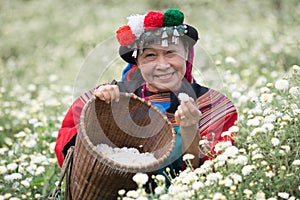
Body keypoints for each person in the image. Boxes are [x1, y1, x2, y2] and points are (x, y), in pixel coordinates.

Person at [55, 8, 238, 181]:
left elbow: (216, 176)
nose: (163, 64)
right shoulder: (114, 95)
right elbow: (72, 153)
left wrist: (190, 129)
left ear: (187, 55)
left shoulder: (213, 106)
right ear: (138, 62)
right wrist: (100, 112)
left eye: (170, 53)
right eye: (150, 55)